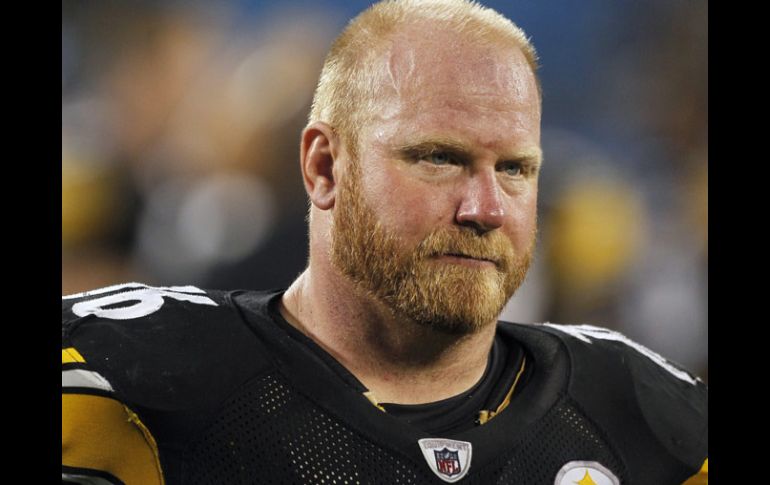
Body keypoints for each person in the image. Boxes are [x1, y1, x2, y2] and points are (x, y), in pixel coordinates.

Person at [62, 1, 708, 484]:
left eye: (515, 168)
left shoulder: (644, 414)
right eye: (438, 158)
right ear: (324, 167)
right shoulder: (128, 382)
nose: (485, 209)